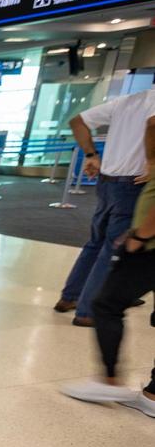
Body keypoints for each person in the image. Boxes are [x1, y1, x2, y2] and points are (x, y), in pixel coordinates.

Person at [62, 114, 155, 417]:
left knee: (106, 303)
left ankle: (111, 381)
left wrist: (140, 235)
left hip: (149, 244)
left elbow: (153, 123)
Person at [55, 88, 155, 325]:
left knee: (96, 243)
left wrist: (91, 154)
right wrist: (152, 161)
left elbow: (77, 122)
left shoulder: (127, 101)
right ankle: (89, 311)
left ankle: (71, 296)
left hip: (108, 181)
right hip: (133, 184)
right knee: (115, 247)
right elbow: (153, 125)